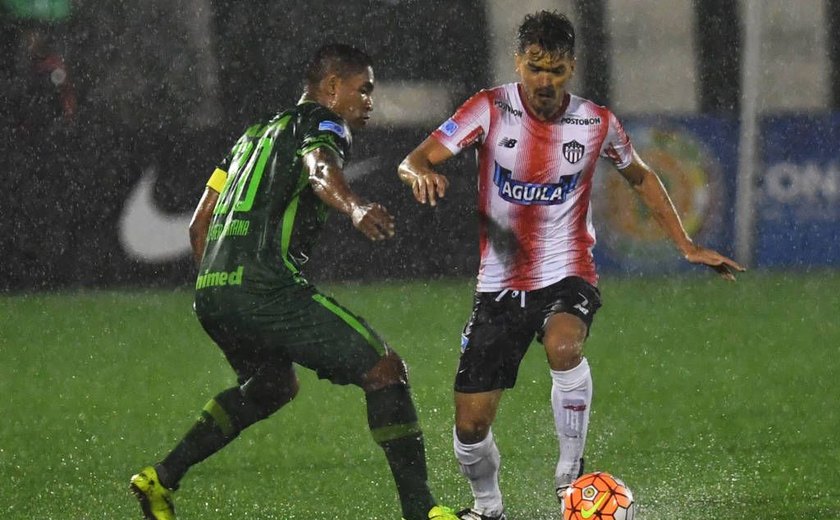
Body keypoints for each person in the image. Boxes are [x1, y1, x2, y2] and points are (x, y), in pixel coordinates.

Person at [397, 11, 745, 520]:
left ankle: (570, 479)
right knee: (470, 429)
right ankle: (488, 509)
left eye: (555, 70)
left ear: (571, 69)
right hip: (498, 284)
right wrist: (419, 173)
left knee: (564, 345)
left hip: (567, 270)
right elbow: (414, 159)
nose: (544, 81)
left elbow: (642, 177)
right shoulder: (489, 109)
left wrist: (686, 245)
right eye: (535, 68)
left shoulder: (597, 122)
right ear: (518, 63)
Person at [130, 43, 460, 520]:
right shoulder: (323, 124)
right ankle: (420, 510)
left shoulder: (251, 138)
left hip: (212, 290)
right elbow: (320, 168)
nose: (368, 102)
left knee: (271, 386)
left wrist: (221, 287)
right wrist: (355, 206)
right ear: (332, 88)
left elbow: (197, 226)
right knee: (385, 369)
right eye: (362, 90)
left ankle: (162, 477)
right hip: (264, 287)